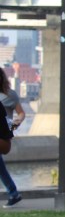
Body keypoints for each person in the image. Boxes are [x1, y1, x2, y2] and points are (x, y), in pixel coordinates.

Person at [0, 69, 26, 207]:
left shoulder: (10, 95)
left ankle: (13, 192)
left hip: (3, 133)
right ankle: (13, 192)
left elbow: (21, 113)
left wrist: (15, 125)